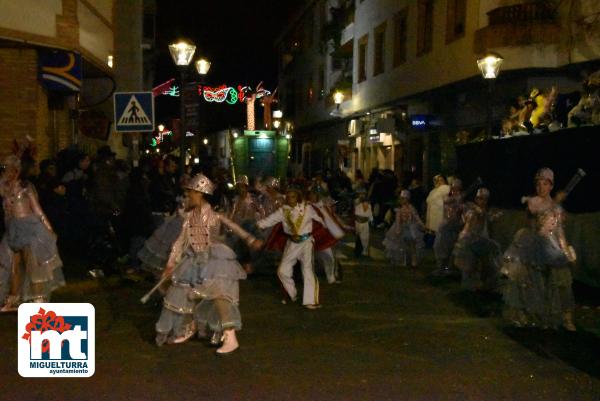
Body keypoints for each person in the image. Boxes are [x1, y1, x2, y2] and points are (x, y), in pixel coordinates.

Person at [154, 173, 262, 353]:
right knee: (188, 293)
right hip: (193, 259)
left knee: (220, 297)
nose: (188, 196)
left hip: (214, 261)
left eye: (192, 193)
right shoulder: (188, 217)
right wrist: (171, 264)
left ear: (201, 194)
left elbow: (234, 228)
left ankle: (230, 337)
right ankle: (191, 327)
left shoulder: (214, 216)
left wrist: (251, 240)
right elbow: (180, 241)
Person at [501, 168, 576, 331]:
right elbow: (537, 217)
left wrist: (565, 248)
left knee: (561, 279)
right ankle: (527, 313)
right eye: (538, 184)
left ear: (551, 186)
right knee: (529, 280)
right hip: (534, 243)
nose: (541, 187)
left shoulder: (556, 207)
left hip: (551, 244)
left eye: (545, 184)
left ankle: (566, 317)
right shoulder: (533, 201)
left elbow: (558, 230)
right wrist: (555, 202)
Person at [0, 155, 65, 311]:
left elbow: (37, 211)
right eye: (4, 168)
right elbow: (7, 211)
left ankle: (38, 299)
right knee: (12, 264)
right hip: (13, 229)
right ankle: (13, 299)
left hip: (31, 229)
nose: (7, 172)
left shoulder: (25, 186)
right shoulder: (5, 187)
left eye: (10, 169)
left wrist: (49, 230)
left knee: (34, 265)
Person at [258, 187, 335, 309]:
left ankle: (310, 301)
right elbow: (269, 220)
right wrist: (256, 225)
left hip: (306, 243)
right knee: (282, 271)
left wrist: (327, 229)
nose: (290, 199)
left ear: (298, 197)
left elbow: (321, 219)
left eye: (293, 196)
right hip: (292, 244)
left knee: (307, 270)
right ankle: (292, 294)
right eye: (288, 197)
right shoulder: (283, 211)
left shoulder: (308, 208)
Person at [453, 188, 502, 291]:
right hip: (469, 241)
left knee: (489, 258)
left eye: (484, 199)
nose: (482, 201)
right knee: (469, 265)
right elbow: (464, 213)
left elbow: (487, 220)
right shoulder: (472, 209)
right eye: (480, 198)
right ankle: (471, 287)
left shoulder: (483, 212)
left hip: (476, 241)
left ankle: (485, 284)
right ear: (476, 199)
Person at [307, 190, 346, 284]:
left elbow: (330, 219)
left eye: (314, 195)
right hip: (309, 237)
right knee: (308, 261)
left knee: (329, 257)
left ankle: (331, 277)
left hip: (324, 237)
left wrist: (338, 229)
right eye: (311, 195)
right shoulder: (306, 207)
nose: (313, 197)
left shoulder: (323, 207)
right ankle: (309, 279)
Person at [382, 190, 425, 268]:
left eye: (403, 199)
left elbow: (416, 217)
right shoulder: (399, 209)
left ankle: (413, 261)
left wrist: (421, 225)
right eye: (401, 199)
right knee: (401, 245)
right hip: (402, 227)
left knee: (412, 244)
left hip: (411, 228)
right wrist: (398, 229)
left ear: (407, 199)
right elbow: (398, 220)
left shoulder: (411, 208)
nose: (402, 201)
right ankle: (403, 260)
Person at [433, 179, 464, 276]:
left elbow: (463, 212)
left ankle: (449, 268)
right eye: (454, 189)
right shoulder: (448, 198)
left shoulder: (462, 202)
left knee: (453, 250)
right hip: (445, 228)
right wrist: (456, 199)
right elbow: (447, 201)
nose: (455, 191)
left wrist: (460, 204)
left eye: (458, 189)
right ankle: (440, 268)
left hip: (456, 229)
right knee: (440, 247)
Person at [354, 190, 373, 257]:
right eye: (365, 202)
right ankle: (358, 251)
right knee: (359, 237)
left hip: (365, 224)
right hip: (358, 223)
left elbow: (370, 216)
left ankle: (364, 251)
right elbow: (356, 215)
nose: (366, 204)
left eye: (367, 202)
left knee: (365, 238)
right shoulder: (358, 205)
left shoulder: (369, 206)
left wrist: (371, 221)